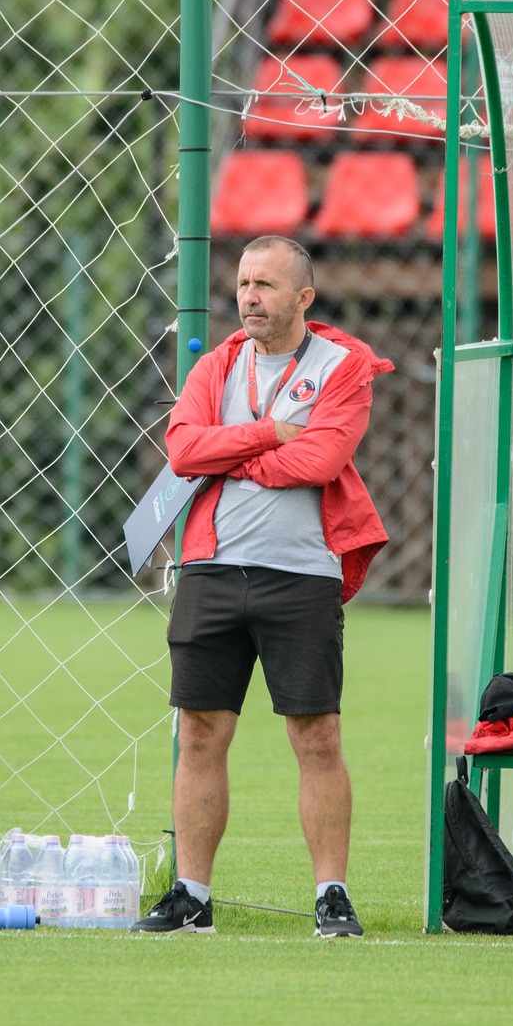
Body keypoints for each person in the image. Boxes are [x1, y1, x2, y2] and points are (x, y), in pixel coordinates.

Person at [135, 235, 393, 939]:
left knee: (317, 737)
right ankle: (192, 895)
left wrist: (238, 452)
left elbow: (322, 457)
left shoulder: (343, 365)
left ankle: (331, 895)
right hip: (211, 571)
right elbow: (184, 450)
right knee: (200, 733)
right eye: (244, 282)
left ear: (303, 297)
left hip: (302, 576)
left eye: (266, 285)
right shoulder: (217, 365)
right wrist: (270, 433)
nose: (249, 296)